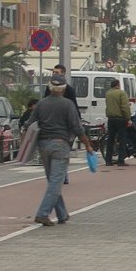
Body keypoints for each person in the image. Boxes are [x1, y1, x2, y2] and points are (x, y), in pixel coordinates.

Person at [28, 73, 94, 226]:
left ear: (50, 87)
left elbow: (29, 124)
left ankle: (62, 214)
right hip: (61, 144)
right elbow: (77, 127)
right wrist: (87, 145)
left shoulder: (41, 104)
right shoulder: (68, 104)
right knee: (56, 183)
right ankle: (43, 214)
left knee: (53, 181)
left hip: (43, 145)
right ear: (64, 88)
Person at [103, 79, 131, 167]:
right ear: (118, 85)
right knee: (122, 139)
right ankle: (121, 160)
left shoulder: (108, 94)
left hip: (111, 119)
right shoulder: (121, 93)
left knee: (110, 139)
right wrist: (128, 118)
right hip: (120, 119)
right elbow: (125, 107)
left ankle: (108, 160)